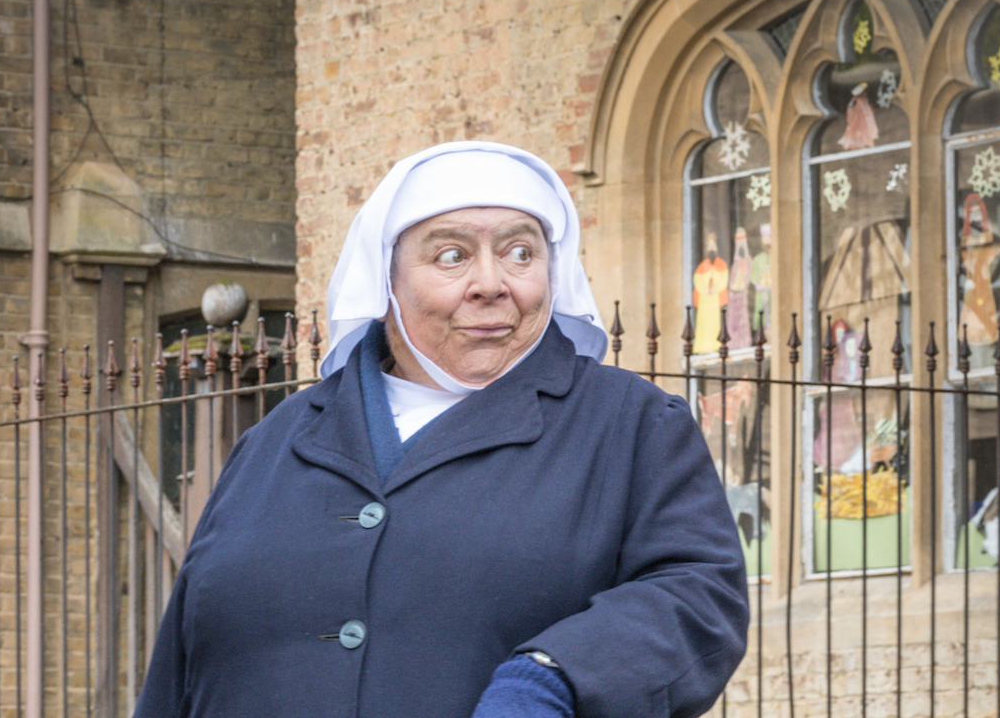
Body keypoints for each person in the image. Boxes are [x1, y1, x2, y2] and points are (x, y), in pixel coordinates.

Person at [134, 141, 749, 718]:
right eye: (452, 256)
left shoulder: (630, 425)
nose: (490, 283)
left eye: (520, 253)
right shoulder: (276, 442)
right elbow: (182, 659)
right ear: (387, 280)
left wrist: (556, 674)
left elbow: (698, 596)